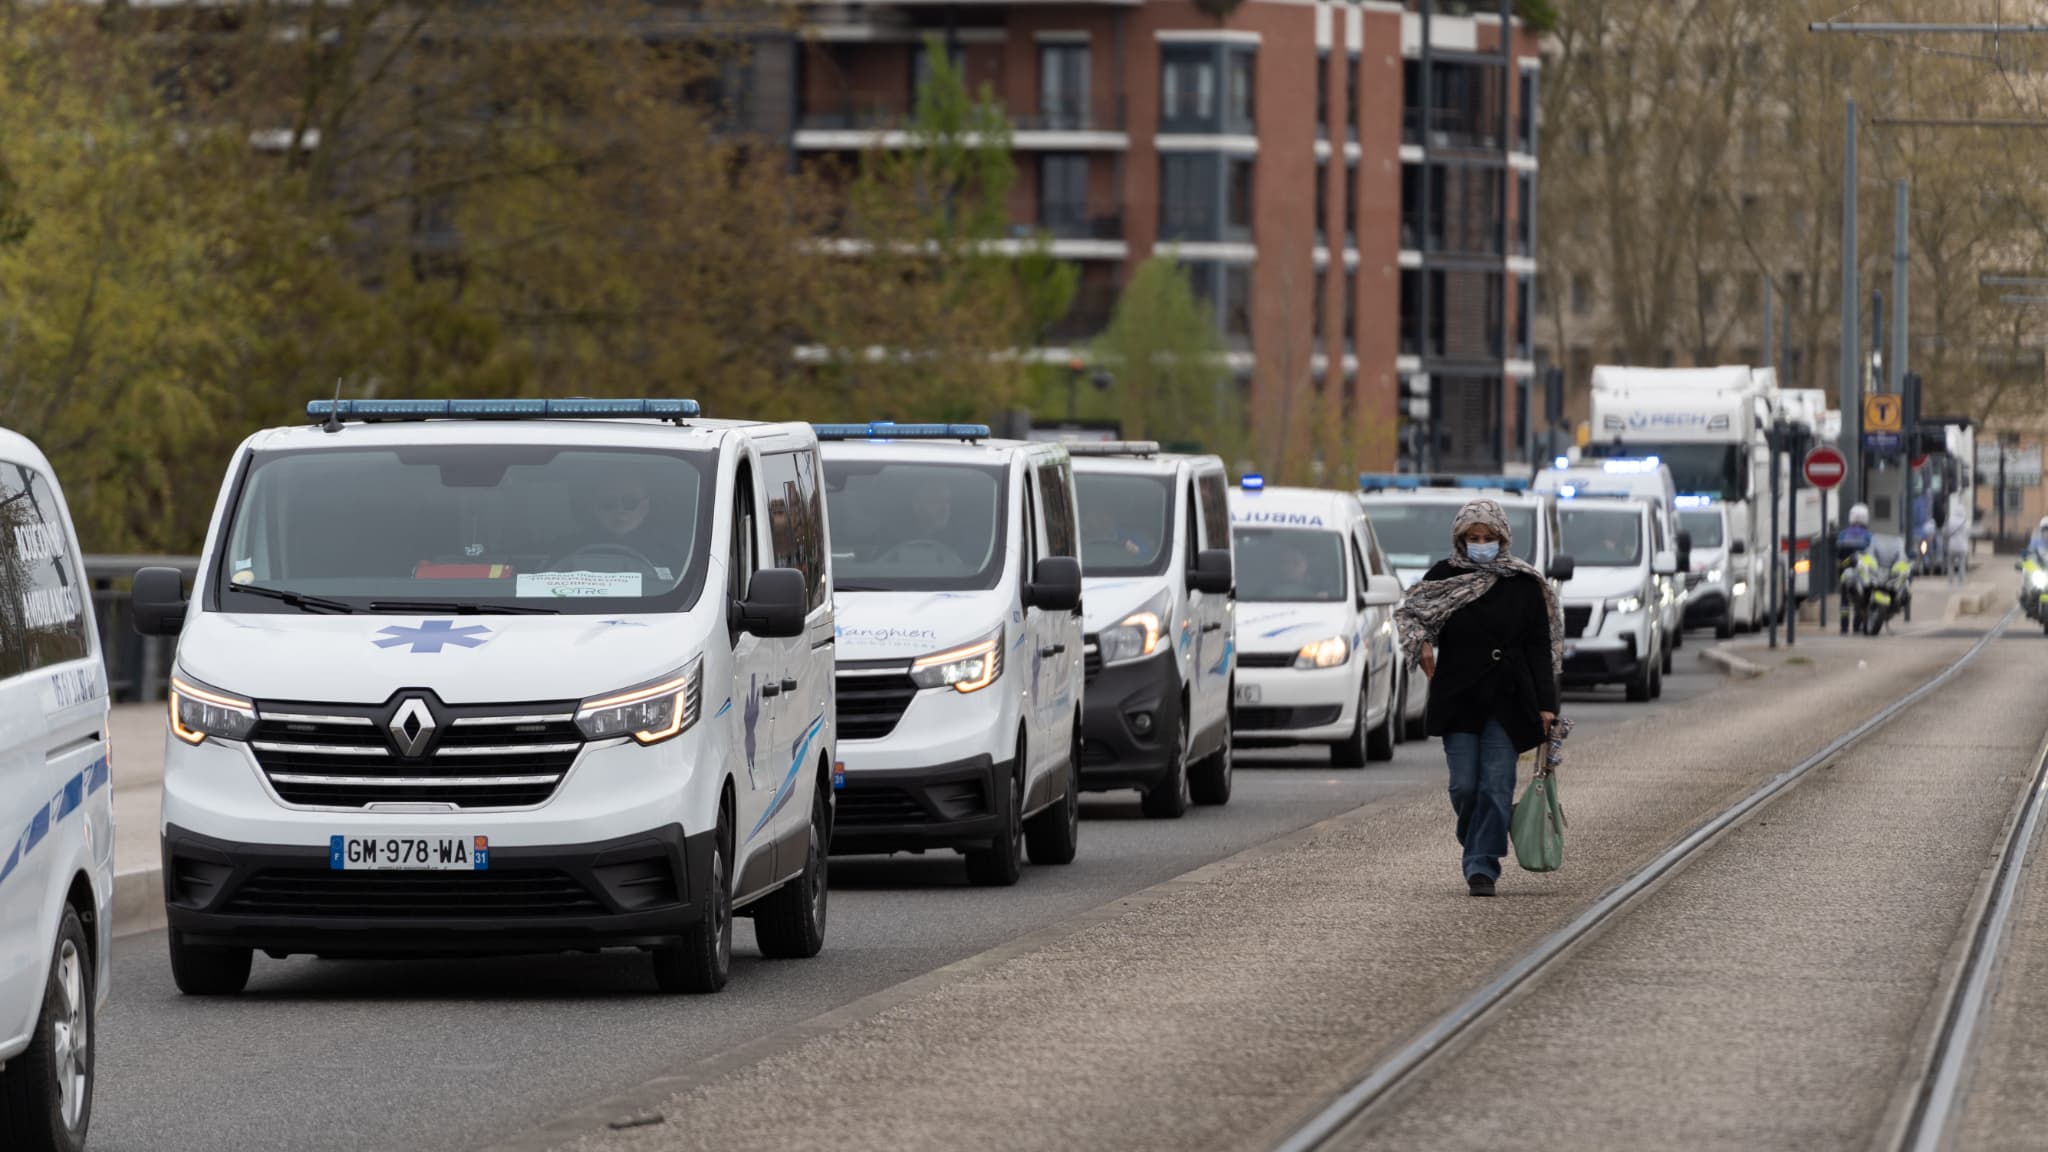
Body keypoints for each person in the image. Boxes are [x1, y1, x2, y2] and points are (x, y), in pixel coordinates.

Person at [1395, 499, 1562, 897]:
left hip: (1509, 699)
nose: (1482, 544)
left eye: (1489, 537)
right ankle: (1480, 836)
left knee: (1496, 785)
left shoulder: (1524, 583)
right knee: (1465, 788)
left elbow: (1540, 648)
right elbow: (1412, 614)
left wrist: (1547, 705)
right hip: (1459, 698)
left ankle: (1482, 865)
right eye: (1474, 537)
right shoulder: (1443, 576)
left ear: (1503, 538)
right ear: (1461, 538)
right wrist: (1421, 644)